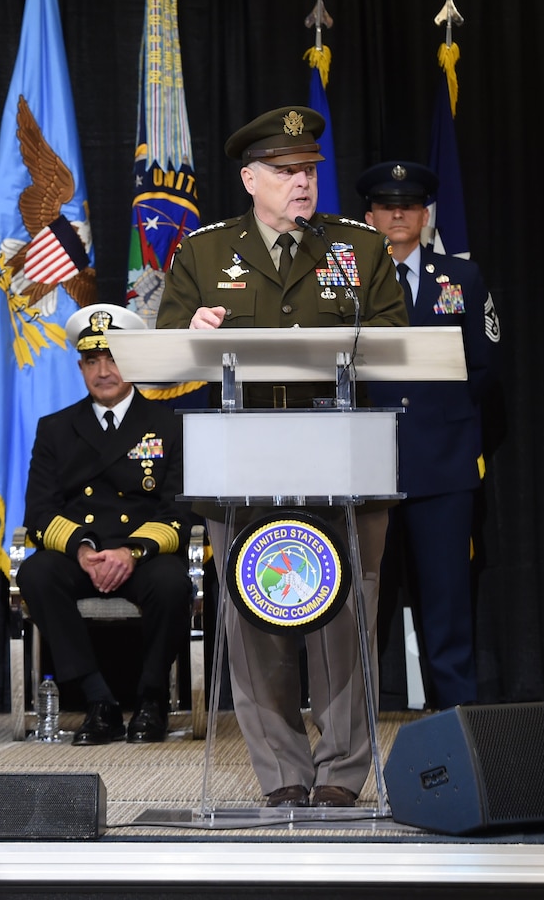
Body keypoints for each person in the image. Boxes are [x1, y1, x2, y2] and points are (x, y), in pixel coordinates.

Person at [156, 105, 406, 809]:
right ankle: (282, 774)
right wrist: (194, 330)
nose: (302, 185)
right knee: (254, 609)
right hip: (241, 459)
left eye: (309, 172)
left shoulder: (356, 248)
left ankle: (339, 775)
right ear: (250, 179)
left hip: (345, 458)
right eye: (286, 172)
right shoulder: (205, 252)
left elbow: (396, 335)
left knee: (345, 615)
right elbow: (165, 351)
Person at [16, 303, 194, 745]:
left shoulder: (169, 425)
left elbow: (180, 510)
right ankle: (99, 700)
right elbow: (38, 511)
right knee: (35, 573)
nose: (103, 370)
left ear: (131, 363)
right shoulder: (55, 428)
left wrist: (130, 552)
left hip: (142, 552)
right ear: (80, 367)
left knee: (174, 584)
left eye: (113, 358)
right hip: (83, 552)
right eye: (92, 361)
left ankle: (151, 699)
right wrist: (82, 549)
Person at [360, 161, 499, 709]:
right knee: (362, 611)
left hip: (441, 467)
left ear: (425, 214)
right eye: (388, 205)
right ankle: (352, 735)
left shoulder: (460, 280)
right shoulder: (346, 283)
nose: (399, 213)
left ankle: (456, 726)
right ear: (368, 216)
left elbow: (485, 366)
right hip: (365, 467)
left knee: (446, 610)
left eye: (410, 205)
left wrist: (442, 425)